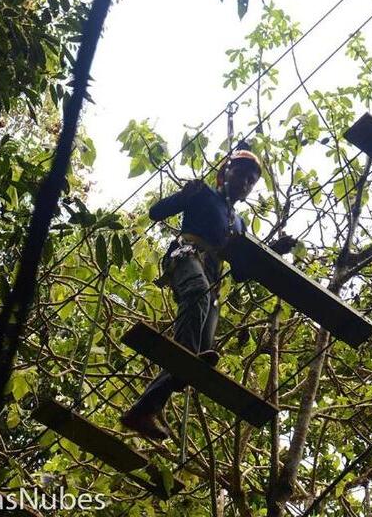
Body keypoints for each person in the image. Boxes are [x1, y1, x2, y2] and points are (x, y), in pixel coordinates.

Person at [120, 147, 296, 441]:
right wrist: (185, 195)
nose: (246, 183)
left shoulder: (238, 223)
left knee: (201, 350)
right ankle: (176, 369)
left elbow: (239, 271)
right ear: (225, 173)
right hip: (187, 257)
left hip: (212, 276)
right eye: (241, 174)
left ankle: (144, 409)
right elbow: (156, 212)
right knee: (198, 304)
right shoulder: (203, 193)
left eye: (252, 180)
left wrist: (272, 252)